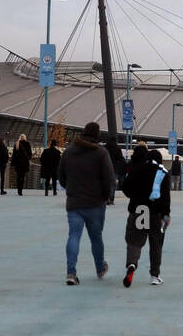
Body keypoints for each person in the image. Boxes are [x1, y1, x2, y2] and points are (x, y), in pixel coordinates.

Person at [57, 122, 116, 285]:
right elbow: (109, 178)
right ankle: (99, 268)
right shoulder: (101, 153)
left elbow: (60, 176)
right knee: (96, 237)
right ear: (97, 136)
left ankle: (71, 272)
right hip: (96, 203)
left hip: (75, 203)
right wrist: (105, 197)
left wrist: (70, 188)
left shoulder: (68, 152)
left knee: (73, 236)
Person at [121, 144, 171, 287]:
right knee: (156, 244)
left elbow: (125, 187)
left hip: (139, 210)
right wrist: (166, 214)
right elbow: (165, 197)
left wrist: (135, 197)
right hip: (155, 213)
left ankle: (131, 264)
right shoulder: (162, 171)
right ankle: (155, 275)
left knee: (135, 241)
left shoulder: (137, 169)